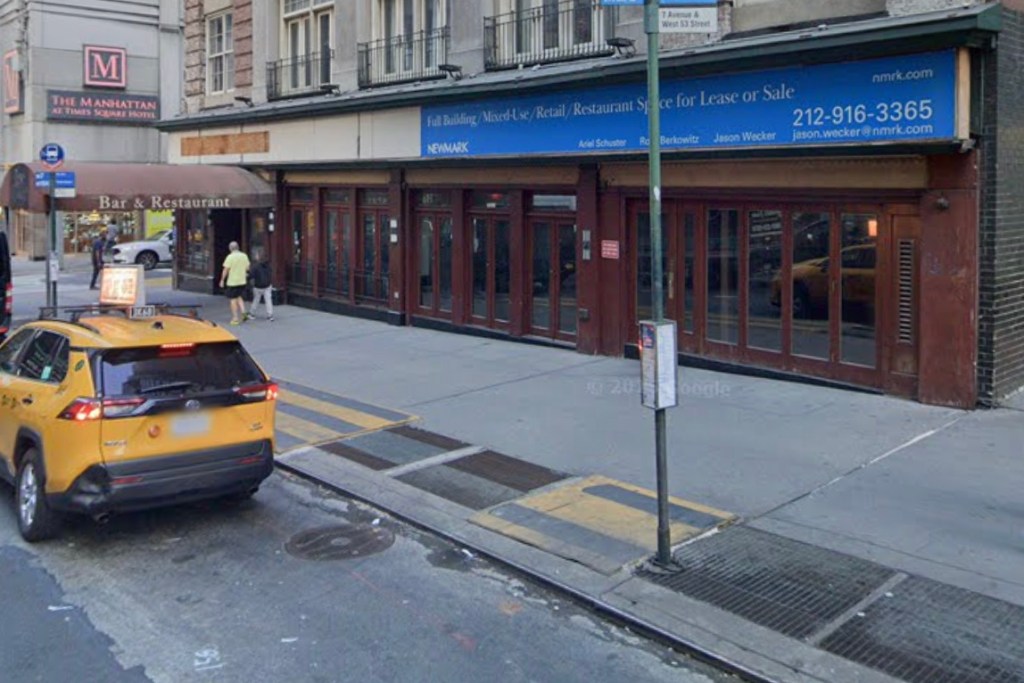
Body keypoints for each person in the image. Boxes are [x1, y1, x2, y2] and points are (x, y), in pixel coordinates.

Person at [219, 241, 252, 325]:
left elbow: (225, 270)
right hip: (242, 281)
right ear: (238, 247)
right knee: (238, 296)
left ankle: (235, 318)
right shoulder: (244, 256)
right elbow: (247, 268)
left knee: (233, 300)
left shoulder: (230, 257)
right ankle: (244, 313)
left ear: (230, 248)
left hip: (233, 282)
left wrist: (222, 280)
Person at [249, 252, 274, 321]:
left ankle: (252, 313)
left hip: (258, 286)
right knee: (268, 300)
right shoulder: (268, 265)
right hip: (267, 285)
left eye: (257, 255)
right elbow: (271, 273)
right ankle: (270, 315)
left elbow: (251, 275)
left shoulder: (255, 266)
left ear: (259, 257)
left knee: (256, 300)